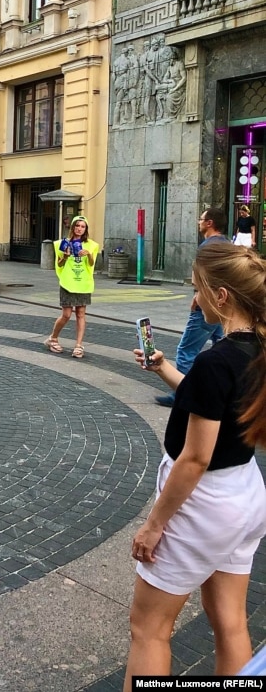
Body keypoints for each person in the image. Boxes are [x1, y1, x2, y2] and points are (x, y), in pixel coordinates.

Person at [124, 242, 266, 689]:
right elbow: (214, 403)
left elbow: (195, 457)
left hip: (202, 505)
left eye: (198, 290)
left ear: (221, 296)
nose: (195, 299)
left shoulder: (213, 361)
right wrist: (165, 368)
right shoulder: (254, 349)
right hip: (244, 495)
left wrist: (154, 524)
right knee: (231, 623)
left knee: (148, 629)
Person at [155, 208, 229, 407]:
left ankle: (182, 392)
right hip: (221, 307)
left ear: (209, 223)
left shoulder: (207, 247)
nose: (199, 222)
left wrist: (198, 296)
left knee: (186, 350)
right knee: (221, 346)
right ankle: (217, 387)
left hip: (207, 307)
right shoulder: (226, 244)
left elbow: (205, 276)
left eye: (201, 219)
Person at [44, 215, 99, 359]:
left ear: (86, 229)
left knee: (81, 314)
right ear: (73, 227)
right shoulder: (63, 243)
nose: (80, 229)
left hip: (83, 284)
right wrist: (66, 256)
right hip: (68, 283)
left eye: (83, 226)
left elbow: (92, 265)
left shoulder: (91, 245)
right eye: (77, 226)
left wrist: (89, 255)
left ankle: (79, 345)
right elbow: (59, 264)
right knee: (66, 315)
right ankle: (53, 338)